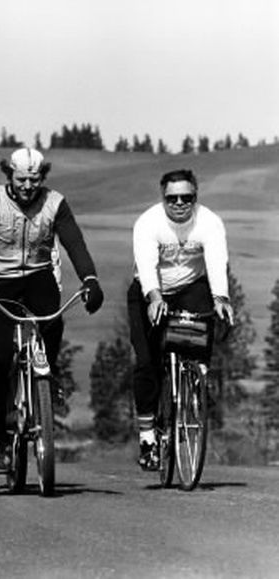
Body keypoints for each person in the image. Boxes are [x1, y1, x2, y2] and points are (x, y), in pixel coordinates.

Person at [0, 147, 104, 474]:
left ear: (43, 177)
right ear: (8, 175)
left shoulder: (55, 203)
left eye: (34, 179)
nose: (27, 186)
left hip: (37, 276)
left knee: (53, 323)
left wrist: (90, 279)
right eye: (21, 179)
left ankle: (46, 380)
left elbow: (74, 243)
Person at [128, 168, 233, 471]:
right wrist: (154, 297)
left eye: (186, 197)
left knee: (202, 321)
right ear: (163, 198)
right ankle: (148, 437)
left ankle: (195, 381)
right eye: (172, 198)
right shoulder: (148, 223)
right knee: (147, 363)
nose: (179, 204)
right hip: (150, 291)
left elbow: (216, 260)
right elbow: (146, 264)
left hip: (190, 287)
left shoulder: (209, 222)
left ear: (195, 197)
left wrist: (222, 298)